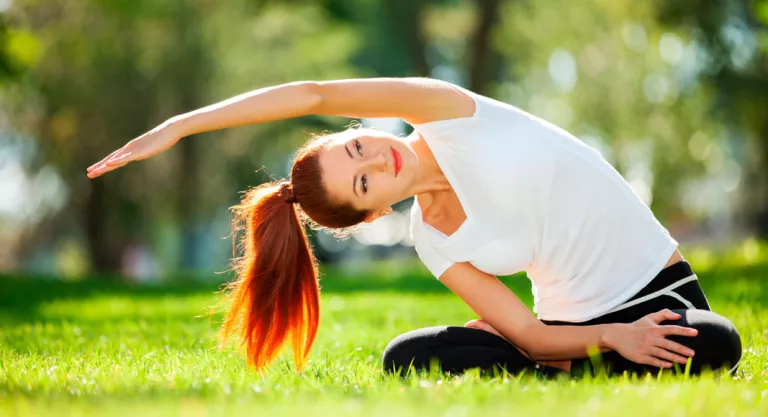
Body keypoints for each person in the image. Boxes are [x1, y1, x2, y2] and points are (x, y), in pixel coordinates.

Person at [86, 77, 742, 377]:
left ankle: (573, 364)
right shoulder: (434, 240)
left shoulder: (447, 112)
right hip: (576, 329)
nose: (376, 159)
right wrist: (605, 339)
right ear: (373, 213)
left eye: (355, 149)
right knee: (406, 358)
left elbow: (312, 93)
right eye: (365, 182)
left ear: (356, 130)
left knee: (718, 340)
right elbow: (528, 331)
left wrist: (179, 127)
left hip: (658, 293)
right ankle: (582, 361)